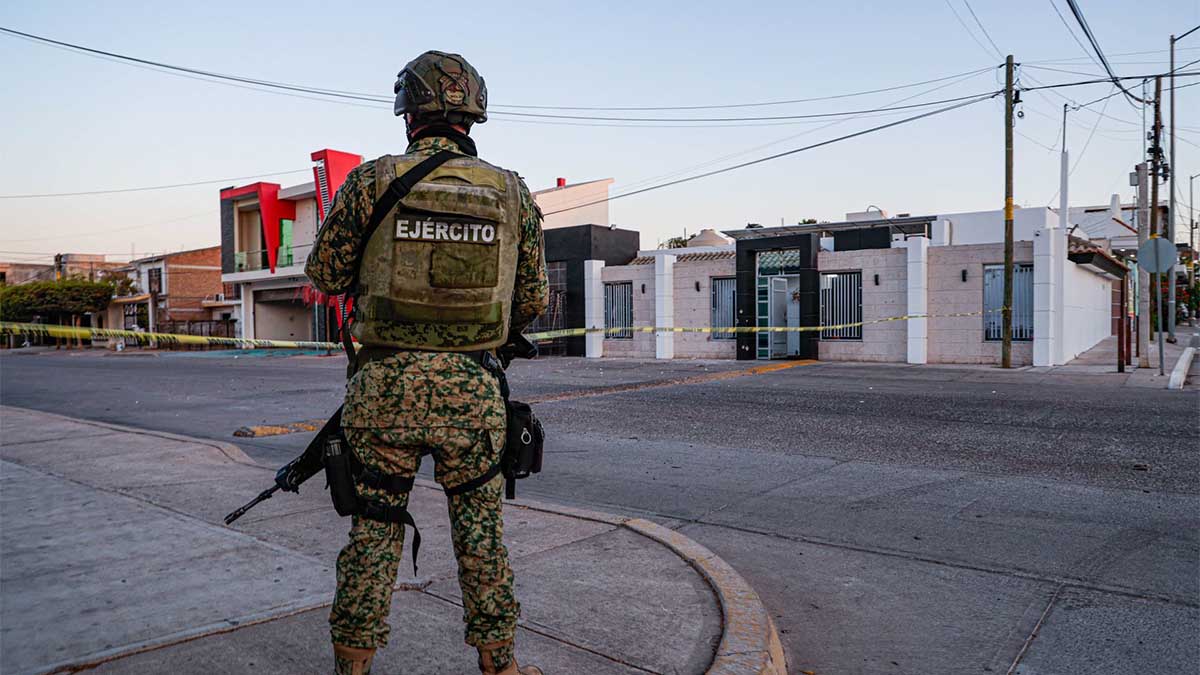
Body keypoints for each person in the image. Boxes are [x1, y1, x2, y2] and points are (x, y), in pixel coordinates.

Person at [306, 50, 548, 675]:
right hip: (473, 394)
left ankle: (352, 666)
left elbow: (326, 274)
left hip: (383, 390)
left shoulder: (370, 180)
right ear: (474, 114)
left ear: (408, 111)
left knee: (375, 530)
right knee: (482, 536)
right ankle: (501, 666)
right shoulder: (513, 192)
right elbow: (531, 301)